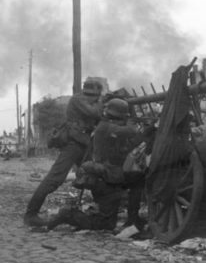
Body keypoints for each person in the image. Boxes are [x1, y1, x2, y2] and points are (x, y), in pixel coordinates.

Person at [48, 98, 152, 231]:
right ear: (117, 117)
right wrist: (132, 124)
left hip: (111, 176)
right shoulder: (105, 127)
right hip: (104, 179)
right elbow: (131, 131)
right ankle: (68, 215)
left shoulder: (108, 128)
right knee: (106, 225)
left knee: (138, 179)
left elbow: (129, 146)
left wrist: (146, 133)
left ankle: (132, 219)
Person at [23, 79, 104, 227]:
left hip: (84, 144)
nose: (94, 98)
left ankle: (104, 212)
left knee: (94, 176)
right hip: (73, 144)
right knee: (54, 179)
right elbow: (95, 112)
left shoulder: (89, 101)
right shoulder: (78, 100)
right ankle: (31, 214)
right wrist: (101, 103)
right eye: (94, 96)